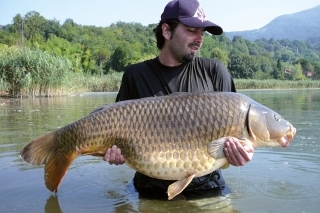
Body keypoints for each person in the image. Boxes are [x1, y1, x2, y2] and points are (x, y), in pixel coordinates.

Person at [103, 0, 254, 198]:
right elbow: (115, 134)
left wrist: (243, 152)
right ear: (166, 31)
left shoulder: (215, 72)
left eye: (202, 33)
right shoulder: (135, 75)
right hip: (148, 191)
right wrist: (113, 152)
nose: (199, 39)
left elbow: (239, 138)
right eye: (192, 30)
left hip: (208, 191)